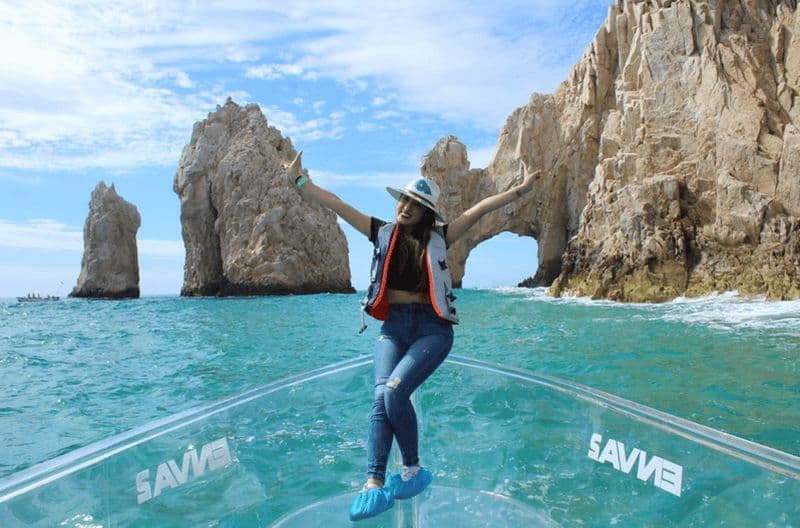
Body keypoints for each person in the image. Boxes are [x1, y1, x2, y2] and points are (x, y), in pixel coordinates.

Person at [286, 151, 538, 521]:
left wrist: (520, 189)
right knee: (379, 399)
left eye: (414, 204)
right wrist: (300, 182)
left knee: (393, 391)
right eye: (403, 199)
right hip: (394, 328)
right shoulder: (381, 231)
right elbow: (338, 204)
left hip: (432, 329)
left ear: (426, 213)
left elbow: (480, 209)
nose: (405, 207)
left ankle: (412, 470)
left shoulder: (441, 236)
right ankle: (373, 483)